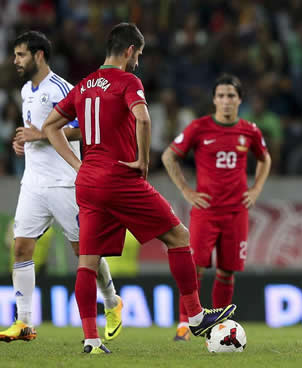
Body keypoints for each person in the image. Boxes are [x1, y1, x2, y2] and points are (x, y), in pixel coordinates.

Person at [42, 23, 236, 354]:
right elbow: (144, 119)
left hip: (88, 182)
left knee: (87, 263)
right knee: (179, 237)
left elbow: (50, 126)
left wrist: (78, 165)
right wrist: (143, 160)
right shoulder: (128, 81)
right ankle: (196, 315)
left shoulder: (85, 84)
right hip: (119, 177)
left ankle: (91, 339)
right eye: (139, 55)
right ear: (130, 50)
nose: (138, 62)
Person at [0, 31, 123, 343]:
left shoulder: (63, 88)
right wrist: (23, 143)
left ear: (39, 55)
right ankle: (24, 322)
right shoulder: (27, 89)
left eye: (21, 54)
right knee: (21, 247)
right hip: (33, 183)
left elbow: (85, 129)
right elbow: (34, 133)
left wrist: (38, 136)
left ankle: (111, 300)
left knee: (84, 252)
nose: (15, 61)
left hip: (65, 183)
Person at [162, 74, 271, 341]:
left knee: (227, 270)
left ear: (239, 100)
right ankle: (185, 325)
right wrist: (186, 191)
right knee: (194, 268)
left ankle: (219, 325)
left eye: (231, 96)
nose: (225, 101)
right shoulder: (199, 128)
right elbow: (169, 156)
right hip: (206, 211)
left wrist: (256, 189)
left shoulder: (250, 130)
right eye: (221, 96)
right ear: (214, 100)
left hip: (236, 212)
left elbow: (264, 159)